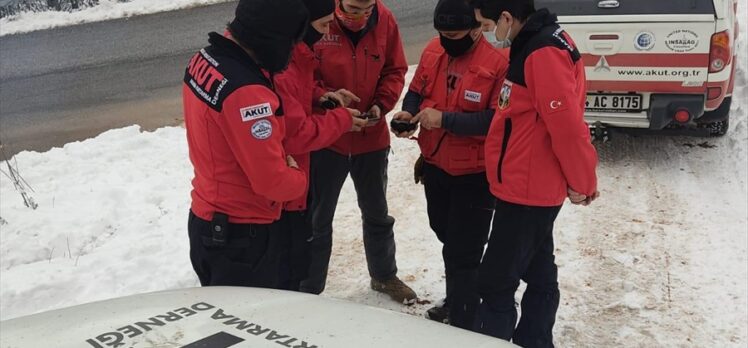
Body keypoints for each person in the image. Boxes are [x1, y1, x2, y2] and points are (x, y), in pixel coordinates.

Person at [469, 0, 600, 346]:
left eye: (487, 25)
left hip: (527, 190)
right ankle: (535, 340)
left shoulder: (542, 52)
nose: (488, 34)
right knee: (539, 270)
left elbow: (568, 128)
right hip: (528, 183)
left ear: (507, 18)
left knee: (496, 281)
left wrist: (582, 182)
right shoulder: (540, 40)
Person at [391, 0, 509, 329]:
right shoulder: (432, 50)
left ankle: (465, 318)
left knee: (464, 250)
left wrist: (445, 120)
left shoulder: (498, 63)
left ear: (476, 29)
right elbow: (416, 91)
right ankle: (462, 296)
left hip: (475, 174)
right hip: (435, 165)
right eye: (441, 33)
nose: (445, 39)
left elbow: (496, 120)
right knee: (445, 234)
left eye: (453, 33)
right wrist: (407, 113)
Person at [183, 0, 310, 288]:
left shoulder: (204, 59)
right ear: (272, 39)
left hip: (208, 216)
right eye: (290, 43)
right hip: (242, 236)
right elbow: (272, 181)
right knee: (250, 326)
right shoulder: (248, 92)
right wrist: (299, 178)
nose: (291, 53)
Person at [301, 0, 416, 304]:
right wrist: (327, 103)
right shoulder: (320, 19)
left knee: (377, 213)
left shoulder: (385, 20)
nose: (358, 16)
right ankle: (310, 288)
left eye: (366, 9)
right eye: (351, 8)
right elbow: (302, 74)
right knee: (316, 217)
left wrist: (381, 104)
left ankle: (384, 275)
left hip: (371, 137)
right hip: (328, 137)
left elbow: (395, 69)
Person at [273, 0, 368, 291]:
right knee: (287, 265)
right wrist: (340, 121)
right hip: (284, 186)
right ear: (303, 22)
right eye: (323, 24)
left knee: (300, 250)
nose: (328, 31)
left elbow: (300, 92)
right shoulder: (284, 63)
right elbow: (297, 134)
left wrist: (322, 96)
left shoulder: (299, 54)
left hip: (298, 175)